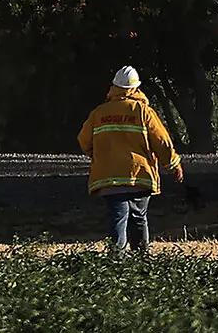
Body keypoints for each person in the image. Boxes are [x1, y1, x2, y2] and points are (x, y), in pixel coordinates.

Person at [76, 64, 183, 255]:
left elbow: (84, 140)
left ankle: (117, 259)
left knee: (118, 218)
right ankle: (142, 258)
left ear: (114, 87)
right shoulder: (143, 112)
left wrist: (98, 155)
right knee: (139, 218)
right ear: (135, 88)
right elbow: (162, 142)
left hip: (110, 178)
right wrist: (173, 164)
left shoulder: (99, 113)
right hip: (139, 176)